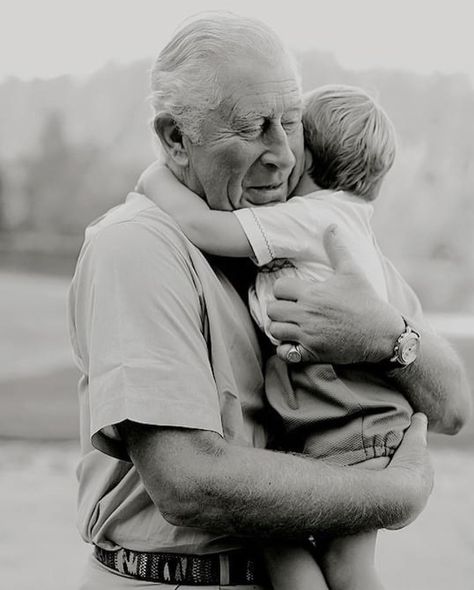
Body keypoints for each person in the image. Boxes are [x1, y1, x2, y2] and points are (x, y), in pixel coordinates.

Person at [68, 12, 470, 590]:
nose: (283, 153)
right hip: (171, 580)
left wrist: (386, 335)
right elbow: (190, 484)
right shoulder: (137, 246)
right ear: (176, 139)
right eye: (253, 127)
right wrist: (392, 494)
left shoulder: (319, 232)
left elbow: (454, 406)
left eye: (290, 122)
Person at [137, 83, 452, 590]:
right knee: (309, 556)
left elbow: (205, 227)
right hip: (350, 418)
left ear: (304, 158)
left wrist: (155, 179)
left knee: (328, 561)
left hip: (349, 417)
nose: (277, 152)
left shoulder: (314, 217)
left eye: (288, 133)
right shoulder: (352, 220)